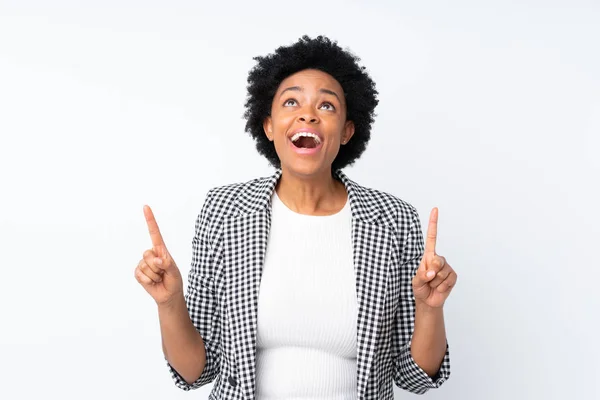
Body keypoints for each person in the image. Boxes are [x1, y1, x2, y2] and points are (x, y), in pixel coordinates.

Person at [135, 35, 457, 400]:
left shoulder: (393, 220)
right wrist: (170, 302)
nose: (308, 114)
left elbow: (415, 377)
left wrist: (431, 310)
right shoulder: (225, 210)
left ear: (348, 131)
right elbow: (195, 371)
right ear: (270, 125)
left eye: (327, 105)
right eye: (291, 101)